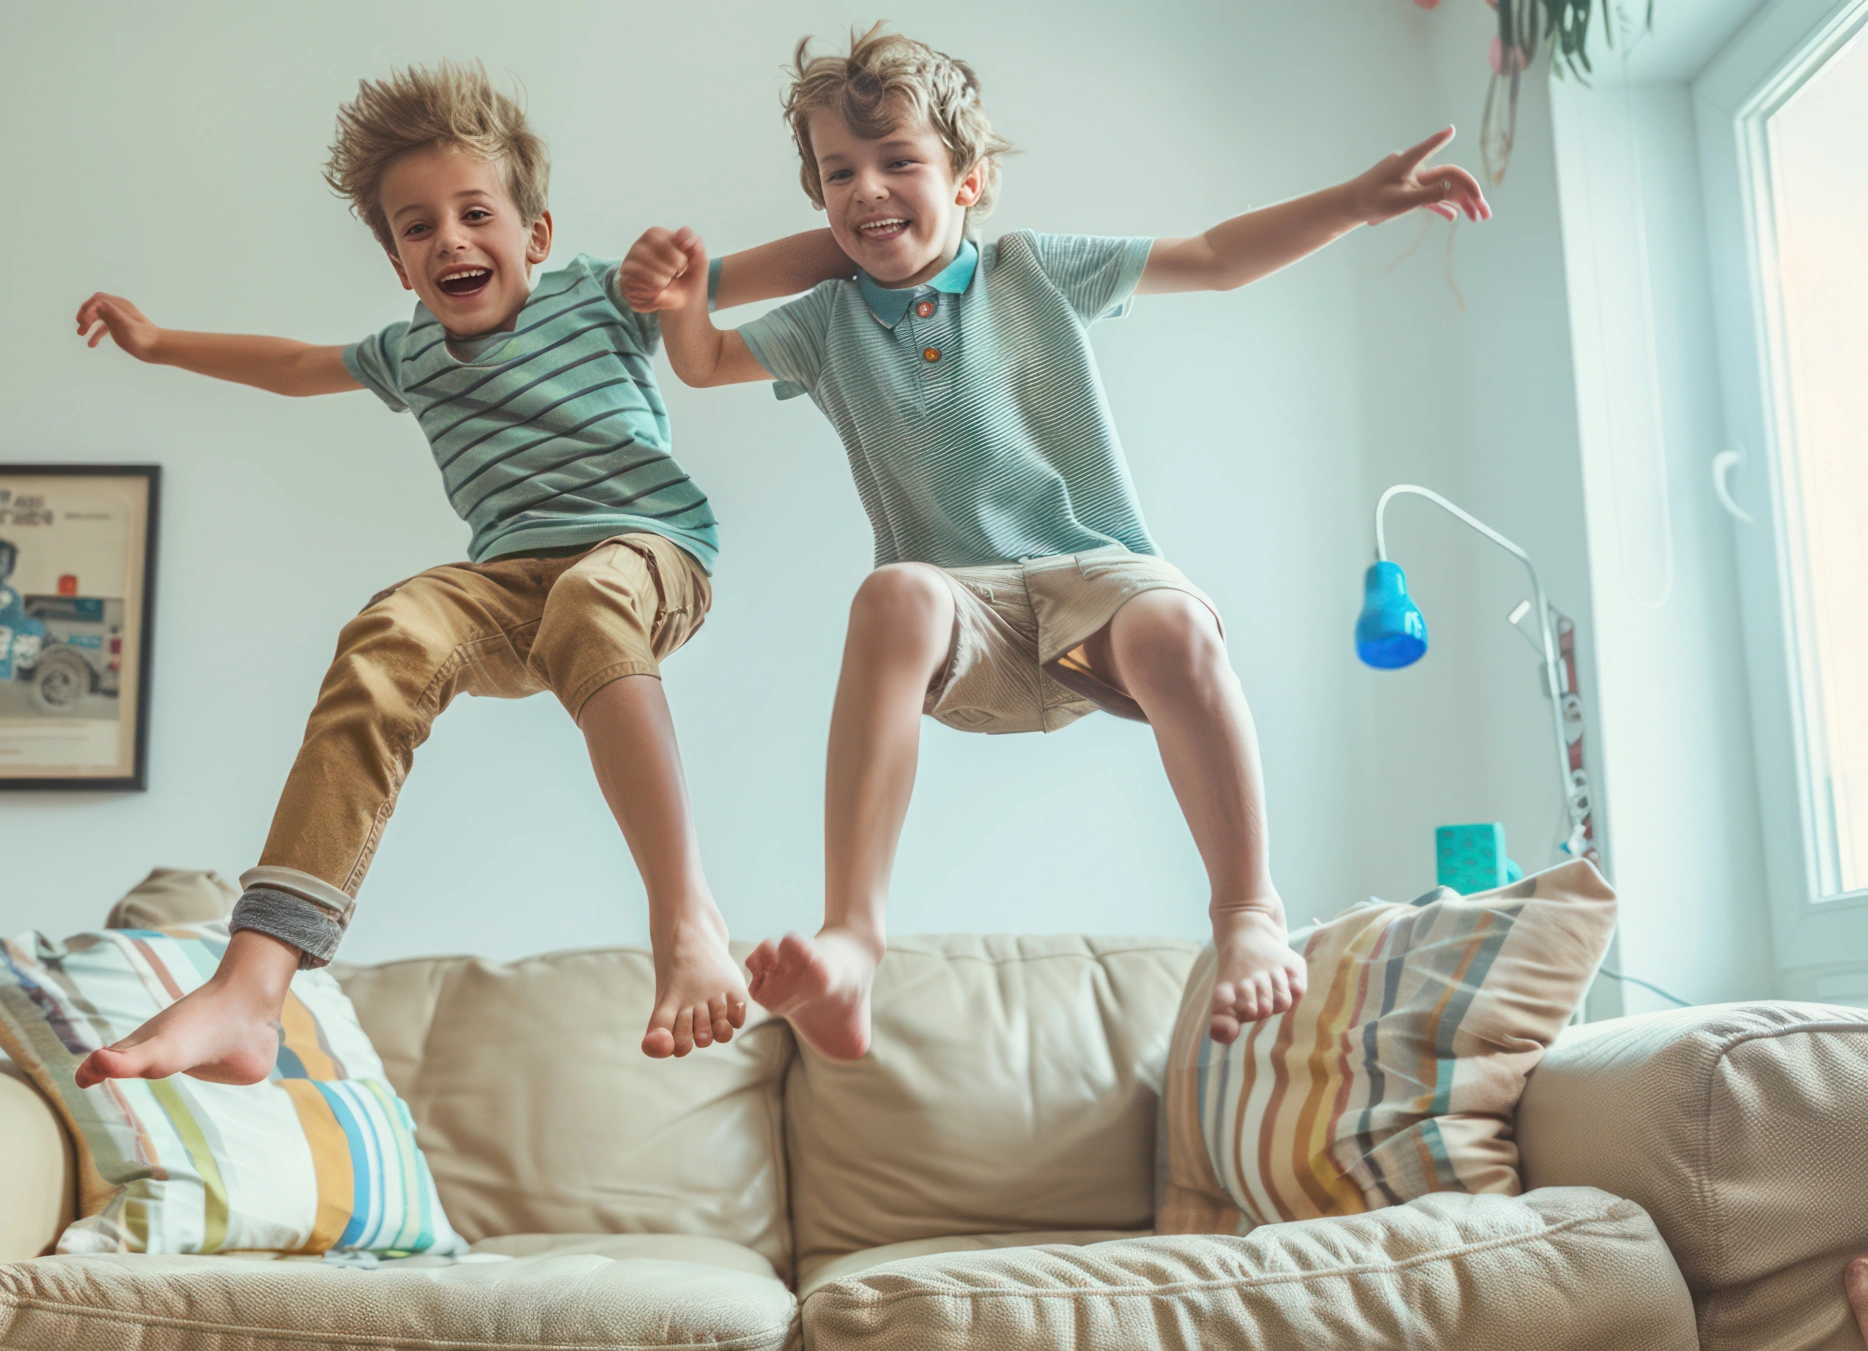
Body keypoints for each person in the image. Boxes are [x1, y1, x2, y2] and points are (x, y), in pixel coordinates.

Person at [623, 25, 1490, 1060]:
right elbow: (706, 359)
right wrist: (680, 299)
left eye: (898, 162)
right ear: (816, 198)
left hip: (1095, 594)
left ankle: (1246, 911)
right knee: (891, 595)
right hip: (964, 616)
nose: (864, 190)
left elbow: (1214, 260)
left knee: (1173, 619)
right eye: (836, 173)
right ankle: (852, 942)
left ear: (971, 179)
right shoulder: (824, 323)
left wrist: (1352, 202)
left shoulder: (1032, 272)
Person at [70, 62, 850, 1084]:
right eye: (415, 226)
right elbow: (294, 366)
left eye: (473, 213)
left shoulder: (599, 296)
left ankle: (685, 917)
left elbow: (770, 269)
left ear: (533, 236)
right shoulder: (406, 355)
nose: (447, 239)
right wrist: (160, 341)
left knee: (587, 599)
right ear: (399, 264)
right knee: (391, 629)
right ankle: (252, 990)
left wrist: (857, 230)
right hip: (506, 585)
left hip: (646, 555)